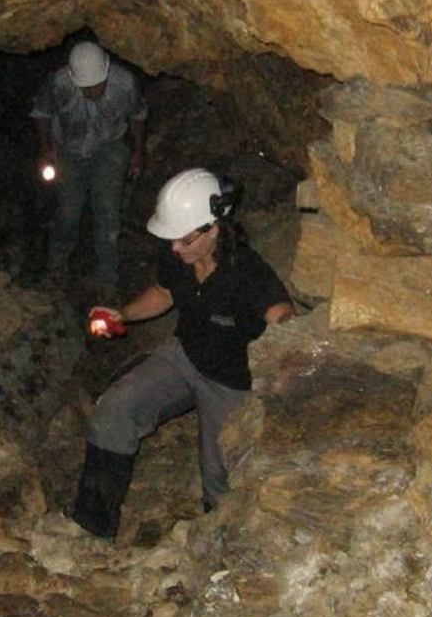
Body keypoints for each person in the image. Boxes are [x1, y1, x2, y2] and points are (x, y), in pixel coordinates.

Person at [69, 168, 295, 540]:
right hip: (184, 355)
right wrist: (122, 314)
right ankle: (91, 528)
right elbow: (165, 293)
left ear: (213, 229)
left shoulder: (249, 274)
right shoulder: (180, 253)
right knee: (115, 410)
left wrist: (288, 332)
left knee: (222, 482)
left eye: (184, 240)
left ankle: (220, 556)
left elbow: (281, 315)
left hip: (231, 383)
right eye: (172, 239)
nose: (174, 248)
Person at [31, 40, 148, 289]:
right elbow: (42, 113)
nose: (93, 92)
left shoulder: (125, 83)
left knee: (107, 213)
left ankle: (107, 279)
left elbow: (137, 116)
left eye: (98, 86)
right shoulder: (59, 82)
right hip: (69, 151)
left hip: (110, 148)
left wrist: (138, 152)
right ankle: (56, 267)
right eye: (86, 88)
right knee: (69, 210)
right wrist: (45, 149)